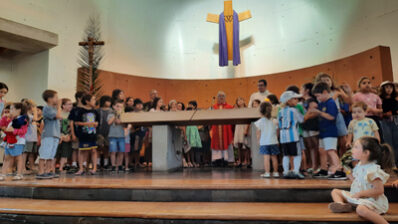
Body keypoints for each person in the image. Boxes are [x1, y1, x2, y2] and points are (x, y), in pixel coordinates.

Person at [329, 137, 395, 224]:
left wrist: (360, 194)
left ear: (366, 153)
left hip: (372, 201)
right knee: (335, 191)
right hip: (359, 197)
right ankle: (343, 206)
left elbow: (379, 190)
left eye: (356, 147)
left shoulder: (372, 170)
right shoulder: (360, 165)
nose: (352, 149)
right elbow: (355, 181)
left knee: (360, 210)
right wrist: (346, 169)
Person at [311, 83, 347, 180]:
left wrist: (318, 112)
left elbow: (331, 117)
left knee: (330, 150)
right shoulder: (321, 103)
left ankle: (340, 170)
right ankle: (323, 169)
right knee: (321, 150)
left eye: (318, 96)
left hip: (330, 131)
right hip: (323, 131)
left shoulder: (331, 102)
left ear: (325, 92)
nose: (317, 98)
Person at [278, 91, 304, 179]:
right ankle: (296, 171)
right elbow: (301, 120)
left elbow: (279, 123)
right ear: (288, 101)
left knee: (286, 155)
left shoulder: (280, 111)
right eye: (295, 99)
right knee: (297, 154)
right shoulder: (294, 110)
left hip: (283, 136)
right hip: (293, 136)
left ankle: (285, 171)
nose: (297, 100)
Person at [36, 90, 62, 179]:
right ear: (50, 99)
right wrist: (59, 107)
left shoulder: (54, 109)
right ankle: (40, 172)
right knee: (44, 154)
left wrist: (59, 135)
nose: (57, 99)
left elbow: (59, 121)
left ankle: (47, 171)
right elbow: (58, 116)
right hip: (48, 135)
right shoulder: (47, 108)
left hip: (55, 134)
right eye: (56, 97)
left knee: (51, 154)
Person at [0, 102, 28, 181]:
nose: (10, 111)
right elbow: (2, 125)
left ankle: (19, 174)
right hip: (9, 141)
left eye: (12, 109)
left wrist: (14, 130)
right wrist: (3, 117)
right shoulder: (12, 119)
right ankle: (3, 174)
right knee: (6, 158)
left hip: (18, 141)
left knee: (18, 158)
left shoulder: (23, 120)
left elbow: (23, 131)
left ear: (19, 110)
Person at [74, 94, 99, 175]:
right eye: (93, 99)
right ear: (87, 101)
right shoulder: (80, 111)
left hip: (93, 134)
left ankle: (94, 168)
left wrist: (96, 123)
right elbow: (76, 122)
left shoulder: (95, 111)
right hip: (83, 134)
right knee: (82, 150)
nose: (95, 101)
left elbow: (98, 121)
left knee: (94, 150)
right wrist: (86, 124)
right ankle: (81, 168)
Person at [352, 77, 383, 141]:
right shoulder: (356, 96)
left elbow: (381, 110)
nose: (367, 84)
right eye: (364, 83)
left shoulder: (375, 96)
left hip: (374, 118)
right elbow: (352, 108)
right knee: (363, 137)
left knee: (375, 136)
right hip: (361, 119)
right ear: (359, 86)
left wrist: (371, 110)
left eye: (369, 83)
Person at [210, 91, 234, 167]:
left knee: (226, 142)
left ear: (225, 97)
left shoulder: (230, 107)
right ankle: (217, 160)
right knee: (216, 143)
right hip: (216, 128)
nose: (221, 98)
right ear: (217, 98)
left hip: (226, 129)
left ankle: (226, 160)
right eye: (219, 96)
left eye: (222, 96)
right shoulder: (213, 107)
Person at [255, 102, 279, 178]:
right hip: (274, 141)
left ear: (260, 111)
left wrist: (258, 140)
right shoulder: (275, 121)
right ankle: (276, 172)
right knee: (274, 157)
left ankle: (267, 172)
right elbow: (277, 131)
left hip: (264, 142)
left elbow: (258, 133)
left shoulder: (259, 122)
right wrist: (276, 138)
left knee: (266, 158)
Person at [301, 82, 320, 174]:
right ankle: (311, 164)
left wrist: (306, 117)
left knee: (315, 145)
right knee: (309, 146)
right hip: (305, 126)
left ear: (307, 90)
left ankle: (316, 165)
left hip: (312, 125)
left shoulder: (312, 100)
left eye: (302, 88)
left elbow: (315, 112)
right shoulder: (303, 101)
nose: (301, 90)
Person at [379, 81, 398, 166]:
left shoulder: (395, 100)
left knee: (396, 141)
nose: (389, 89)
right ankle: (391, 163)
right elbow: (380, 111)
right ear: (383, 89)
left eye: (391, 87)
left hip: (395, 120)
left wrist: (393, 112)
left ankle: (396, 162)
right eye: (387, 87)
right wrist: (385, 114)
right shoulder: (381, 100)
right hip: (385, 121)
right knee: (388, 141)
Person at [68, 91, 86, 173]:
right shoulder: (74, 110)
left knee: (84, 149)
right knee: (75, 148)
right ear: (79, 98)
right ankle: (74, 164)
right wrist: (73, 134)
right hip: (76, 132)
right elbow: (71, 122)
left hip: (85, 133)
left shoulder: (86, 109)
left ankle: (84, 164)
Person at [107, 99, 125, 172]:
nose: (119, 108)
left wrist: (120, 119)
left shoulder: (124, 115)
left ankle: (119, 165)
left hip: (121, 136)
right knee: (113, 151)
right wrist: (115, 115)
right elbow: (109, 122)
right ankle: (113, 166)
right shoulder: (111, 114)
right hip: (112, 136)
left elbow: (124, 123)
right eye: (117, 106)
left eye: (121, 107)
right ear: (114, 107)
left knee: (121, 151)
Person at [57, 98, 73, 173]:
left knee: (65, 152)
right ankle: (52, 167)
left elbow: (72, 127)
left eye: (71, 104)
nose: (71, 105)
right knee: (55, 153)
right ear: (63, 106)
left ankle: (61, 167)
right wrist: (59, 136)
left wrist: (69, 135)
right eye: (69, 104)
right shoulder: (59, 113)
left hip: (67, 136)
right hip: (58, 136)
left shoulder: (71, 114)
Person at [22, 99, 38, 173]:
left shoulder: (30, 115)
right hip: (27, 138)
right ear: (30, 107)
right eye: (34, 107)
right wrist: (35, 112)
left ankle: (32, 166)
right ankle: (22, 168)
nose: (35, 109)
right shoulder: (26, 116)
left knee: (31, 153)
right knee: (25, 153)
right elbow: (35, 119)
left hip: (32, 138)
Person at [96, 95, 112, 170]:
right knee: (99, 147)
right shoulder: (98, 110)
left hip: (109, 132)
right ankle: (97, 163)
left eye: (109, 101)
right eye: (107, 101)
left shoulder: (111, 111)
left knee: (107, 147)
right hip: (99, 131)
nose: (109, 102)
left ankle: (106, 163)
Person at [130, 99, 147, 168]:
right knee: (131, 149)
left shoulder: (144, 113)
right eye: (138, 104)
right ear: (134, 106)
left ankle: (137, 162)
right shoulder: (131, 113)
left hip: (141, 133)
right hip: (133, 133)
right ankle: (130, 162)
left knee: (138, 148)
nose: (140, 106)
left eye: (141, 104)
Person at [234, 97, 249, 167]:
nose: (240, 101)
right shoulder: (236, 110)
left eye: (241, 99)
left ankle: (246, 160)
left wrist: (246, 129)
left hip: (244, 126)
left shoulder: (247, 109)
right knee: (239, 144)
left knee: (245, 144)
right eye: (238, 100)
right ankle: (240, 159)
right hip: (238, 126)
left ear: (244, 101)